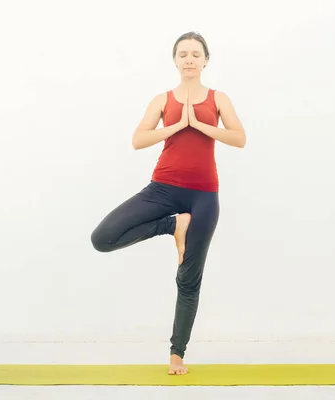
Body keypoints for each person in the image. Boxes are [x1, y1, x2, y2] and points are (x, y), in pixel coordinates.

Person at [90, 31, 246, 375]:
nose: (189, 59)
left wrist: (201, 126)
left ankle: (177, 354)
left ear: (206, 60)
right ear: (175, 61)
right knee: (102, 238)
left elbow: (239, 138)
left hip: (204, 195)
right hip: (162, 189)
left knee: (188, 278)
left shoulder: (219, 99)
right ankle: (172, 225)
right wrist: (177, 124)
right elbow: (138, 140)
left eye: (196, 54)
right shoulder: (162, 100)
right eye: (183, 54)